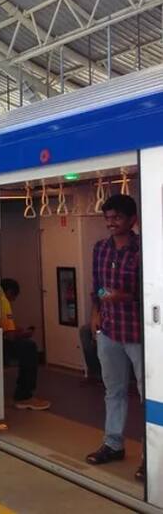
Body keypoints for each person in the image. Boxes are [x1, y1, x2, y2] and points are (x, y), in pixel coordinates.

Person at [85, 195, 144, 482]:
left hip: (139, 332)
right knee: (114, 390)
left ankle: (152, 455)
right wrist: (96, 310)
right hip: (109, 329)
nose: (111, 223)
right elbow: (97, 286)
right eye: (107, 218)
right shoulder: (100, 249)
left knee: (150, 395)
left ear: (132, 219)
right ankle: (113, 444)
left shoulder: (144, 249)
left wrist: (126, 296)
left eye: (116, 218)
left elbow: (151, 290)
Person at [0, 278, 51, 411]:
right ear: (9, 292)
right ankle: (24, 395)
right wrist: (23, 334)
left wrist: (16, 330)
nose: (12, 301)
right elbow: (10, 336)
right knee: (29, 347)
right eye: (13, 298)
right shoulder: (3, 301)